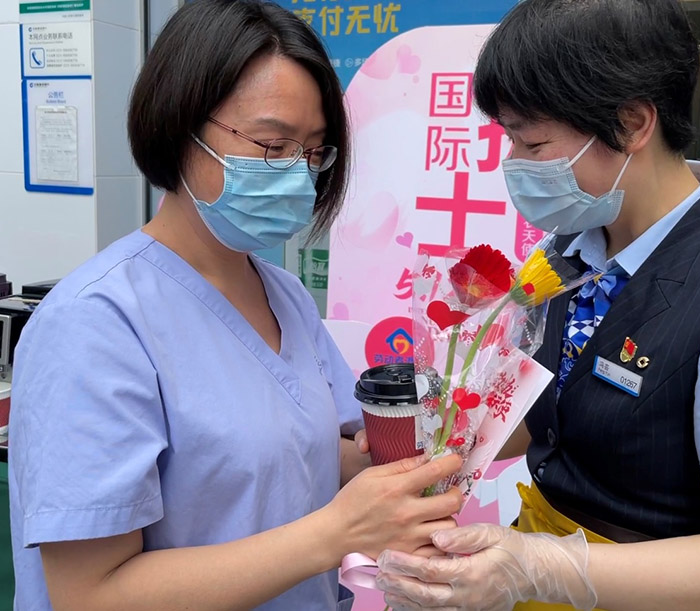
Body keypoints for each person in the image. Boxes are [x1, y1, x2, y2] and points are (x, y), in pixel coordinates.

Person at [8, 2, 462, 610]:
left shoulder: (285, 295)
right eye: (273, 146)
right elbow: (91, 595)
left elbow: (303, 453)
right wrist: (336, 533)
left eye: (313, 153)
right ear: (180, 127)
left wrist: (435, 454)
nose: (297, 176)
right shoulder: (95, 322)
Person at [375, 1, 700, 609]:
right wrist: (425, 436)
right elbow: (550, 416)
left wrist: (538, 565)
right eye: (509, 139)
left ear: (632, 123)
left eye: (533, 141)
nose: (513, 164)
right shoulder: (568, 254)